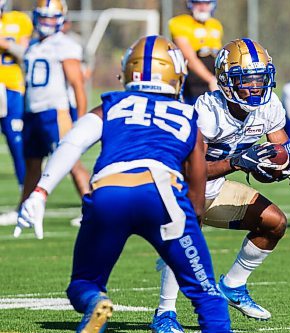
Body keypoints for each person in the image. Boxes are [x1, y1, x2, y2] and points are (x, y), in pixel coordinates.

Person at [13, 35, 232, 333]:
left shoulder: (112, 104)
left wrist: (41, 192)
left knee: (83, 284)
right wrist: (183, 239)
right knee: (207, 297)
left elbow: (72, 142)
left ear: (129, 72)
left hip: (108, 193)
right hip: (162, 196)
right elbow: (196, 192)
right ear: (176, 75)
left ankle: (95, 300)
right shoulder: (188, 116)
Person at [150, 38, 290, 332]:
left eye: (261, 79)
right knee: (188, 232)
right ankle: (164, 313)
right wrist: (240, 162)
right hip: (177, 188)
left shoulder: (269, 106)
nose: (256, 87)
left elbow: (284, 151)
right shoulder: (206, 111)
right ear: (227, 83)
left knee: (274, 223)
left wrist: (279, 167)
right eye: (247, 80)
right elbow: (190, 171)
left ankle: (233, 285)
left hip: (215, 188)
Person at [22, 0, 90, 210]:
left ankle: (93, 209)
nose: (46, 21)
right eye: (43, 16)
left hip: (54, 111)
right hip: (33, 111)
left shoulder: (64, 45)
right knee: (33, 164)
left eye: (51, 17)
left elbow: (78, 85)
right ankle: (23, 208)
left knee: (71, 163)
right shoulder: (34, 44)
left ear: (60, 20)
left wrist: (80, 119)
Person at [0, 0, 32, 225]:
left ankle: (26, 201)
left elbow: (27, 54)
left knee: (17, 144)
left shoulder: (18, 21)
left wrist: (5, 45)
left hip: (11, 90)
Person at [168, 0, 222, 105]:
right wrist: (211, 79)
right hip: (192, 86)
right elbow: (190, 59)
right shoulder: (180, 23)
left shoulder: (216, 25)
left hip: (212, 85)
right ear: (191, 4)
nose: (203, 7)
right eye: (199, 3)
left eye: (206, 3)